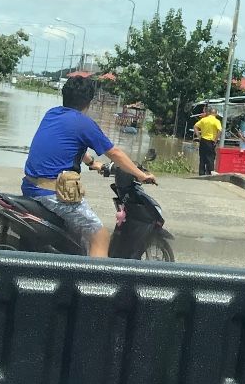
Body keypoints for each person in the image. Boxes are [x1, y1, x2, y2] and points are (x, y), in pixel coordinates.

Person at [23, 75, 156, 258]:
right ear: (89, 102)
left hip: (30, 187)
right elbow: (115, 153)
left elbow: (68, 145)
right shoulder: (84, 123)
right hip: (53, 195)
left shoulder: (52, 113)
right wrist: (141, 174)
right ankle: (96, 277)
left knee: (79, 235)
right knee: (100, 235)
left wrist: (92, 163)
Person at [193, 105, 223, 175]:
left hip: (203, 140)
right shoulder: (216, 121)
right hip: (210, 141)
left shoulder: (204, 120)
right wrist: (216, 140)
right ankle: (210, 173)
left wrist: (199, 136)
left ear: (209, 113)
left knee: (202, 158)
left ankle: (201, 173)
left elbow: (195, 126)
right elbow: (220, 130)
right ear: (215, 113)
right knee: (210, 157)